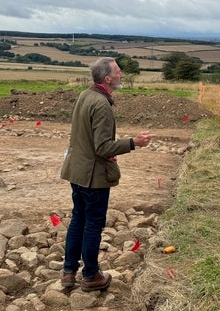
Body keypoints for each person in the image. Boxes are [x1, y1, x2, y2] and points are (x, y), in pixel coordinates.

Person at [60, 57, 155, 292]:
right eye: (118, 72)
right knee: (92, 224)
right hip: (93, 176)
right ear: (107, 78)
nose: (122, 75)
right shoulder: (101, 104)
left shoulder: (85, 95)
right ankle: (91, 275)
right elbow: (102, 148)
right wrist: (134, 142)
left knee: (78, 219)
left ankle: (68, 272)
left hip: (77, 171)